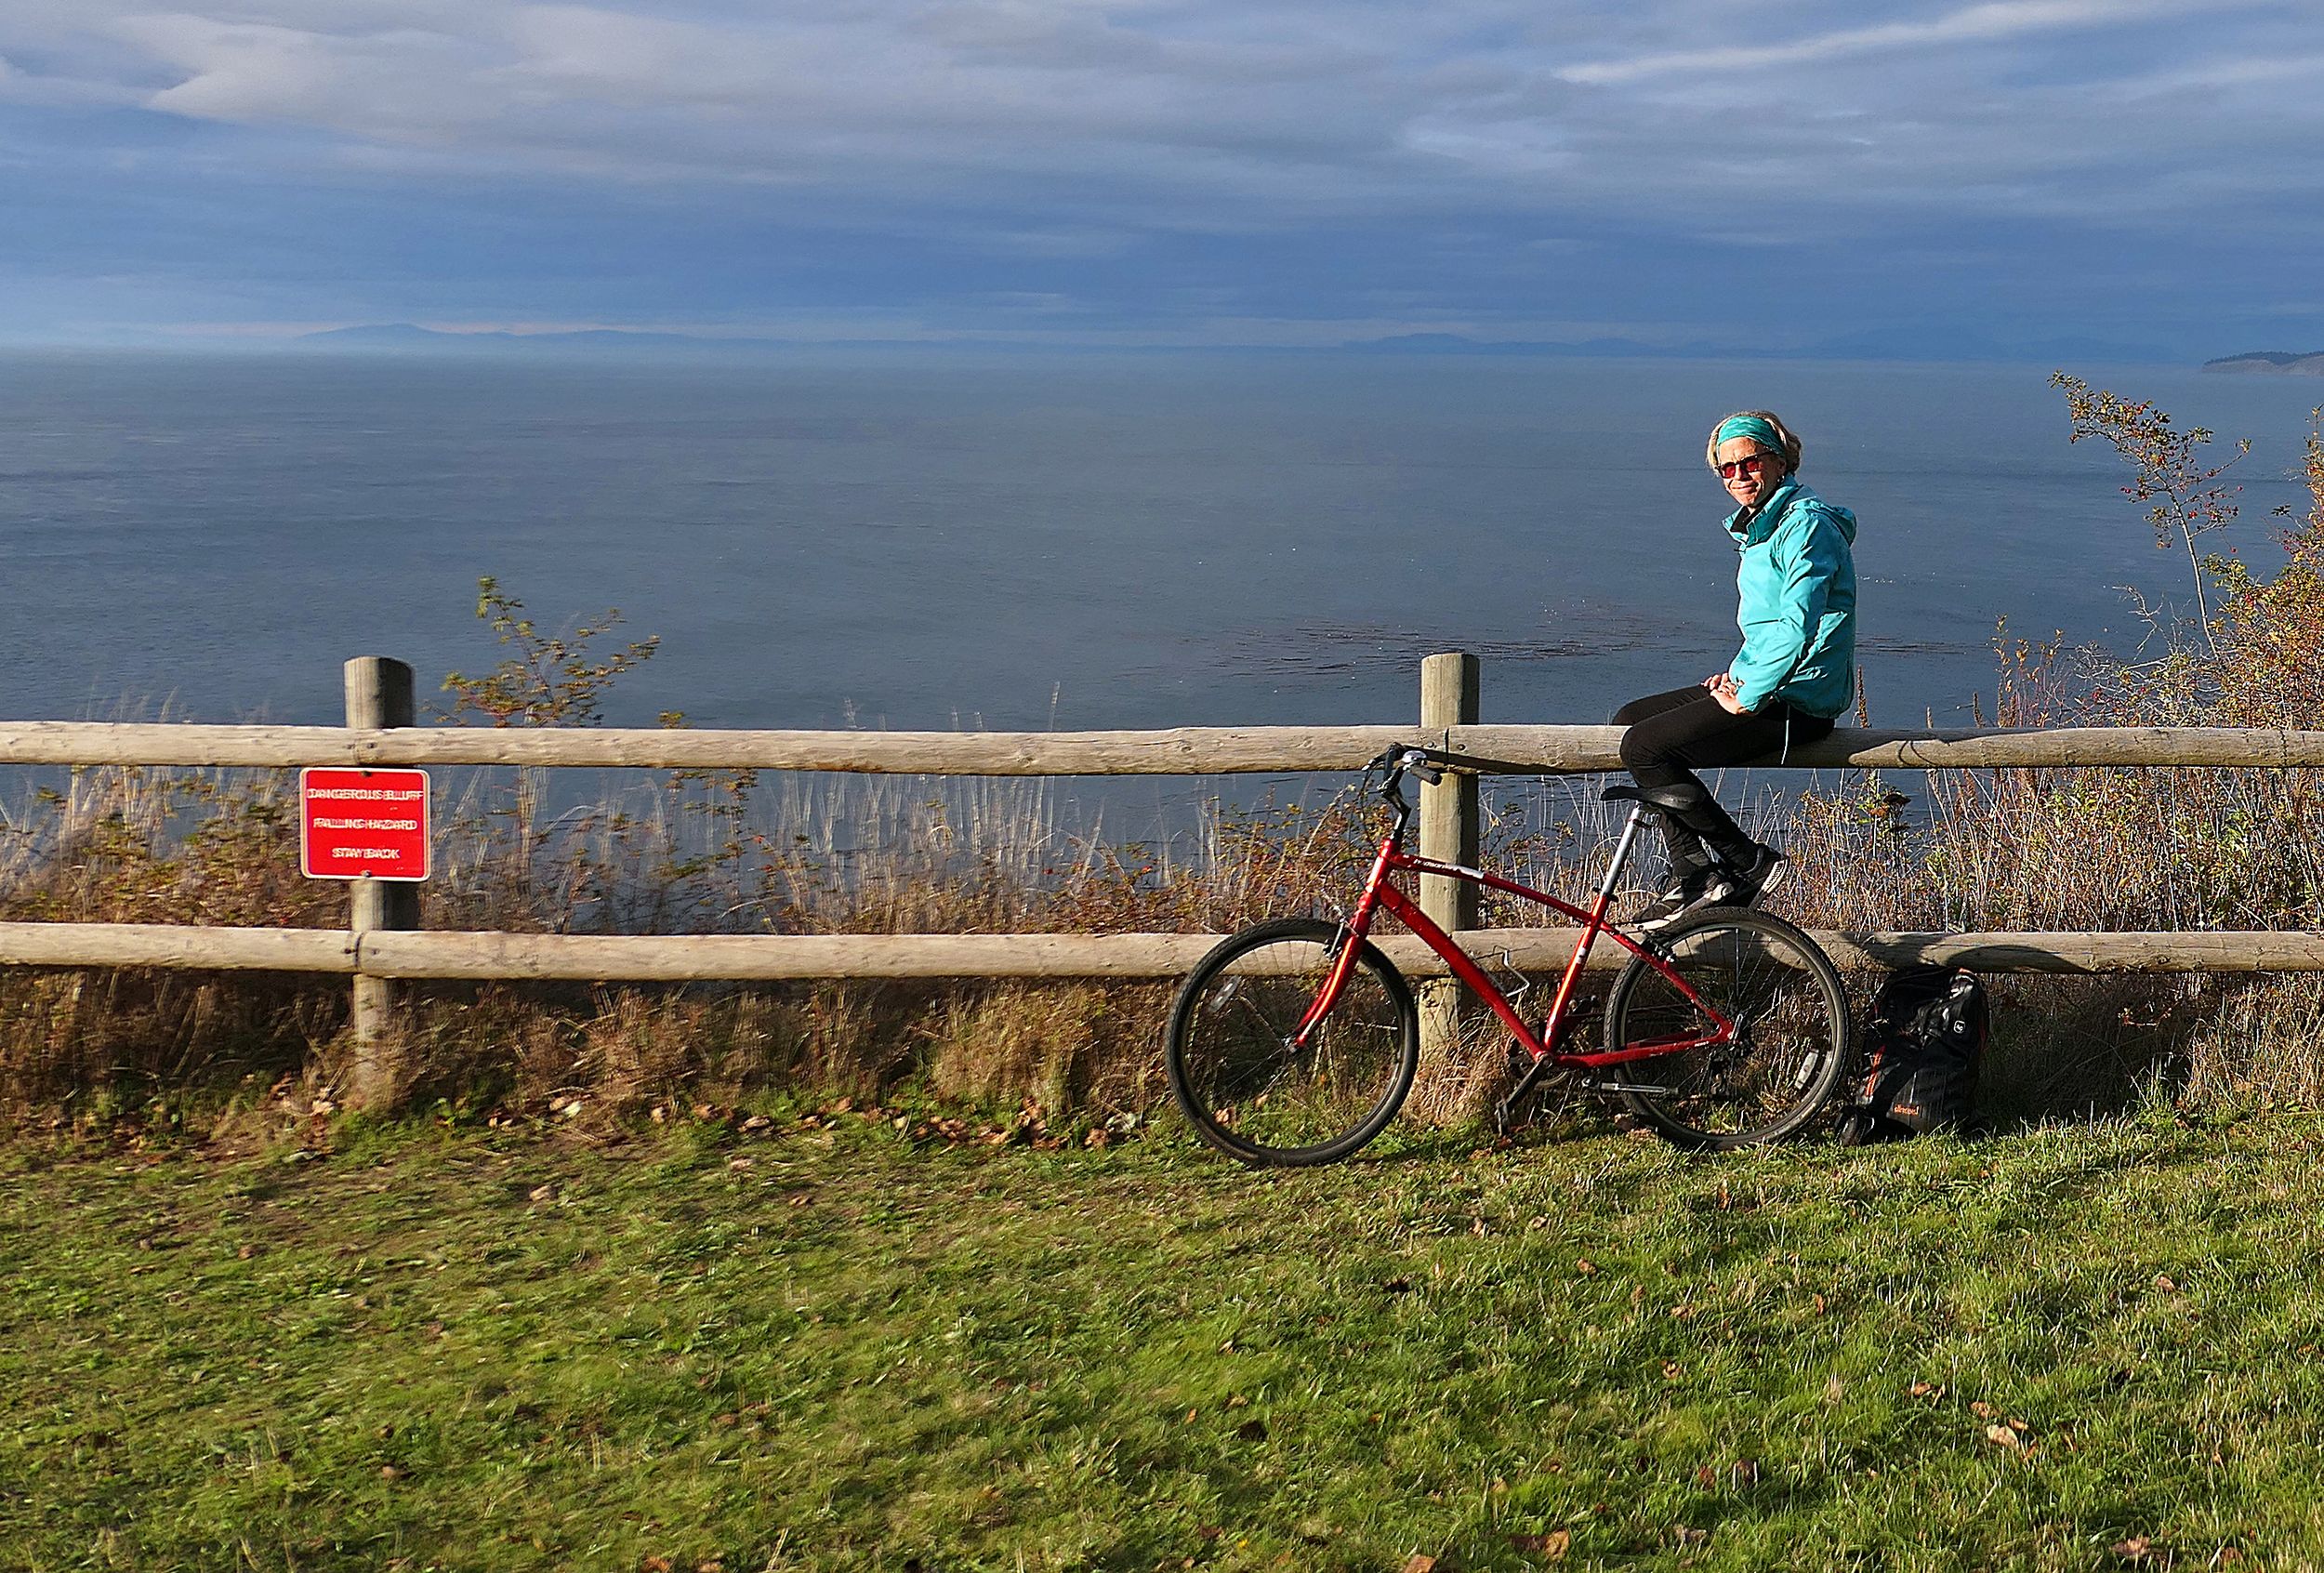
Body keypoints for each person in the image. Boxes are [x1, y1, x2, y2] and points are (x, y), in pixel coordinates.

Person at [1618, 410, 1857, 931]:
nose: (1739, 476)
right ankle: (1697, 871)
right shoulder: (1763, 528)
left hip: (1799, 702)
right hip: (1769, 685)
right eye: (1726, 469)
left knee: (1644, 747)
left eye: (1749, 462)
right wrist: (1737, 673)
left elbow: (1797, 622)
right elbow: (1768, 628)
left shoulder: (1806, 525)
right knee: (1628, 719)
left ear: (1779, 460)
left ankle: (1744, 860)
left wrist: (1746, 691)